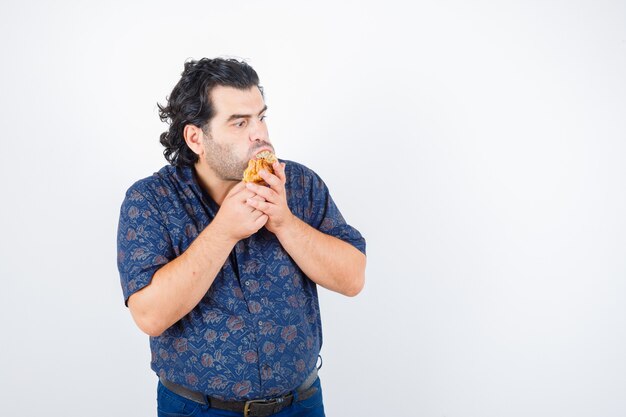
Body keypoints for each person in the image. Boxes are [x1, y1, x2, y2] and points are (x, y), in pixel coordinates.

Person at [116, 57, 367, 417]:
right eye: (239, 123)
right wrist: (223, 231)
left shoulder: (298, 184)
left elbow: (353, 278)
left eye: (261, 117)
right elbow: (150, 316)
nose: (260, 133)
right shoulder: (150, 200)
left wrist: (284, 222)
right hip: (198, 409)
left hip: (301, 403)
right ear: (195, 137)